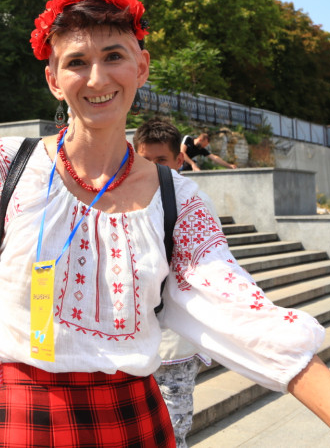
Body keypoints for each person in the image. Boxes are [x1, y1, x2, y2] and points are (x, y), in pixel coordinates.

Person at [0, 0, 330, 447]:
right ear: (53, 79)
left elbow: (250, 318)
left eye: (113, 56)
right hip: (21, 415)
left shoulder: (179, 199)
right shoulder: (6, 166)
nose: (97, 78)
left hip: (133, 420)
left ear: (141, 67)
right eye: (76, 61)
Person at [133, 117, 212, 448]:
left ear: (180, 159)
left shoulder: (192, 203)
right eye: (145, 160)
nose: (153, 168)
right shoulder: (122, 202)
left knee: (174, 428)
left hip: (174, 342)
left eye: (161, 160)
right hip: (132, 343)